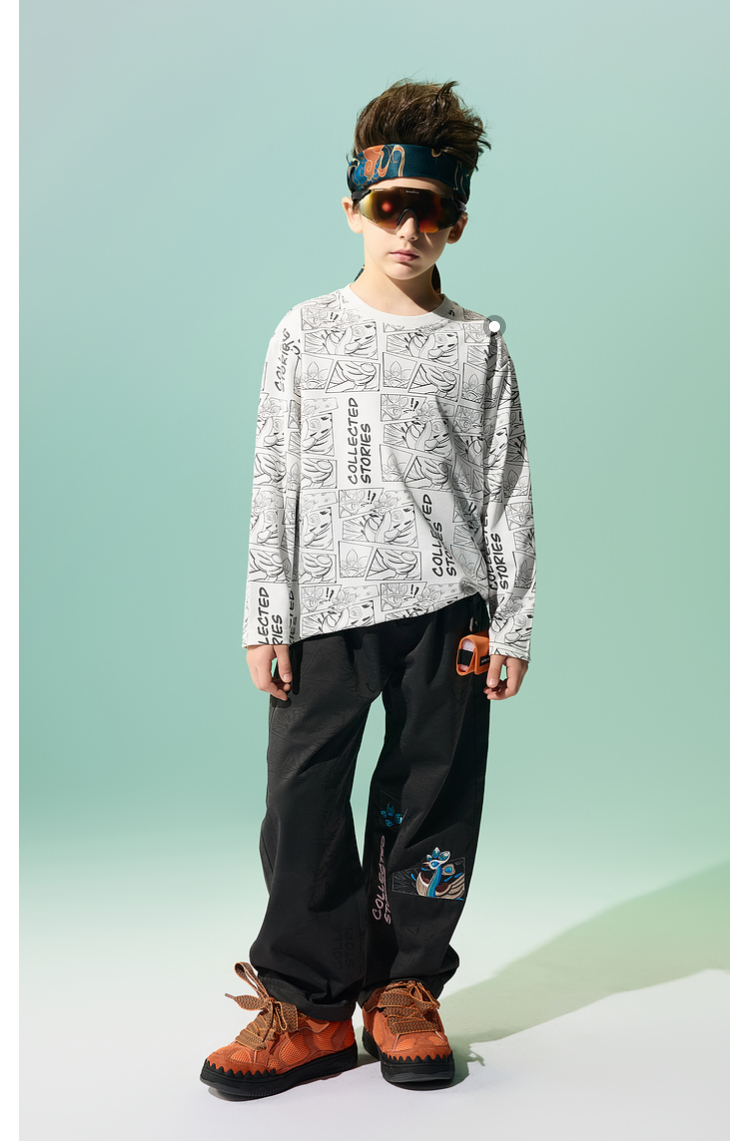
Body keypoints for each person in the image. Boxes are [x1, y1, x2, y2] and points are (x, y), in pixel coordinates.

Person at [200, 79, 536, 1100]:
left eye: (429, 211)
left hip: (449, 609)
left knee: (432, 795)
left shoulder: (479, 346)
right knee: (303, 797)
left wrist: (513, 620)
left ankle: (404, 987)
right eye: (389, 206)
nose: (408, 228)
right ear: (353, 206)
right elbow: (274, 477)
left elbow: (508, 485)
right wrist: (266, 614)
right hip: (325, 607)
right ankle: (307, 1004)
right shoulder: (304, 334)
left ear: (457, 221)